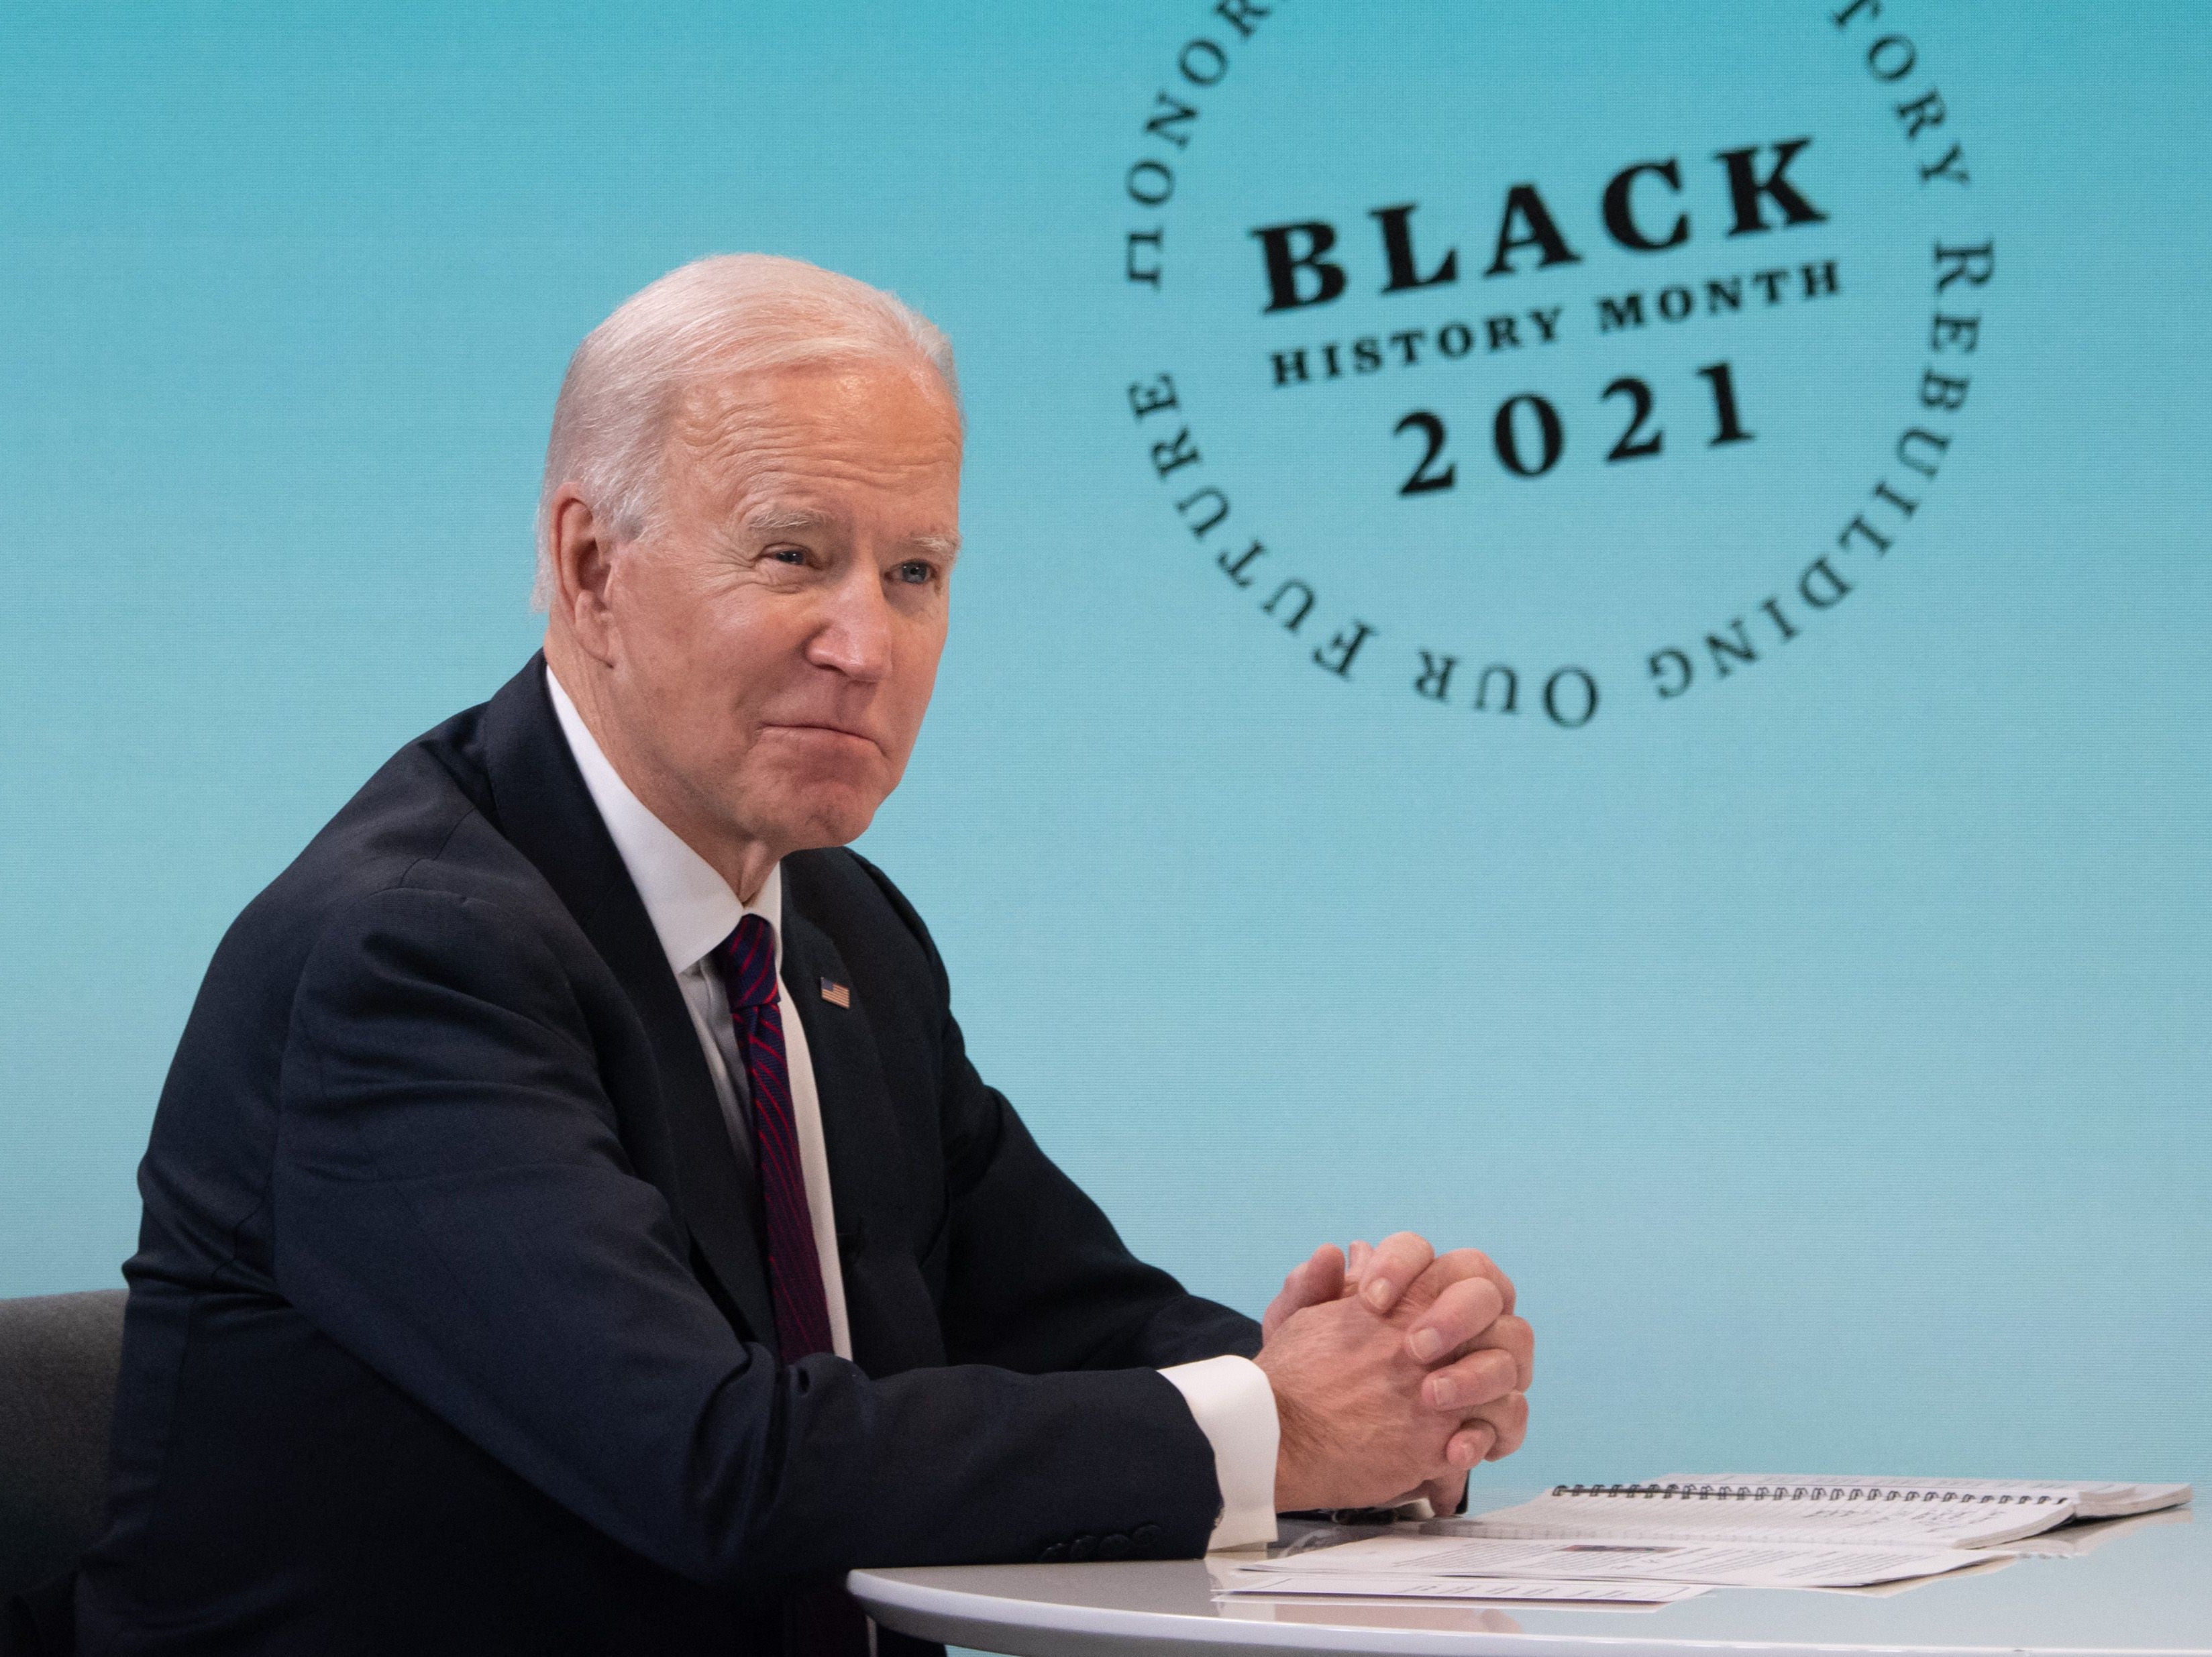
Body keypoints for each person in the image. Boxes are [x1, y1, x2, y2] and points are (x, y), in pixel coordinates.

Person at [68, 256, 1532, 1656]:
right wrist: (1276, 1424)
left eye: (914, 570)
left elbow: (1059, 1318)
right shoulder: (403, 956)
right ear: (589, 566)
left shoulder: (835, 928)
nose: (866, 644)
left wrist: (1389, 1399)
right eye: (793, 554)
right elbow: (714, 1465)